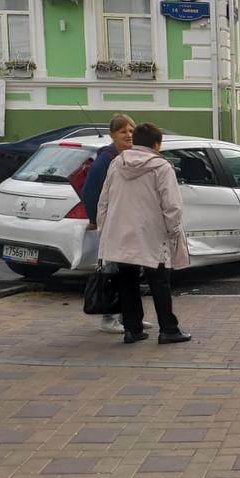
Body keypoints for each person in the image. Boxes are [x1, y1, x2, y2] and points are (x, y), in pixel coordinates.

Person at [97, 122, 192, 345]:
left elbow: (104, 200)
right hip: (152, 233)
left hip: (119, 232)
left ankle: (132, 329)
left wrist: (104, 229)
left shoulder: (117, 162)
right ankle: (168, 329)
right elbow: (172, 206)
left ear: (135, 141)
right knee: (159, 282)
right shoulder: (161, 167)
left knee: (127, 281)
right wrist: (172, 230)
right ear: (157, 144)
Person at [81, 113, 150, 335]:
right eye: (123, 131)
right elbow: (91, 191)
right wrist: (95, 220)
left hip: (128, 224)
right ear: (112, 135)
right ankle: (108, 317)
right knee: (111, 272)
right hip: (111, 226)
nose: (128, 135)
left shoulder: (131, 155)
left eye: (131, 131)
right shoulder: (106, 159)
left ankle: (129, 317)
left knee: (129, 271)